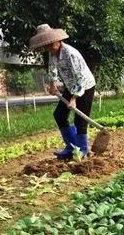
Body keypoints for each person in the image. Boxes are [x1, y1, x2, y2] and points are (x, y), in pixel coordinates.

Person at [29, 24, 96, 159]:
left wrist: (74, 99)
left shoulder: (71, 53)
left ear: (57, 41)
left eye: (50, 44)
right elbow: (52, 69)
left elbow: (81, 77)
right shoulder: (53, 53)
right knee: (59, 114)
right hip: (71, 86)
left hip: (85, 86)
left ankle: (82, 150)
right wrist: (53, 84)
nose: (48, 48)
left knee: (80, 119)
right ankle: (71, 147)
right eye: (45, 46)